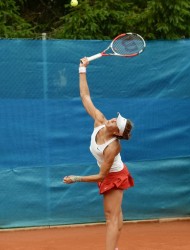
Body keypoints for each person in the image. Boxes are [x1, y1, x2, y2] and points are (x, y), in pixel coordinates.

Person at [63, 57, 134, 250]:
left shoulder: (113, 147)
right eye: (114, 119)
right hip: (109, 173)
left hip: (115, 176)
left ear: (117, 132)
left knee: (110, 218)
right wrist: (82, 70)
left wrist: (76, 178)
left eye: (115, 122)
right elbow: (85, 97)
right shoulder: (100, 120)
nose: (112, 119)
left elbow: (103, 176)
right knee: (116, 218)